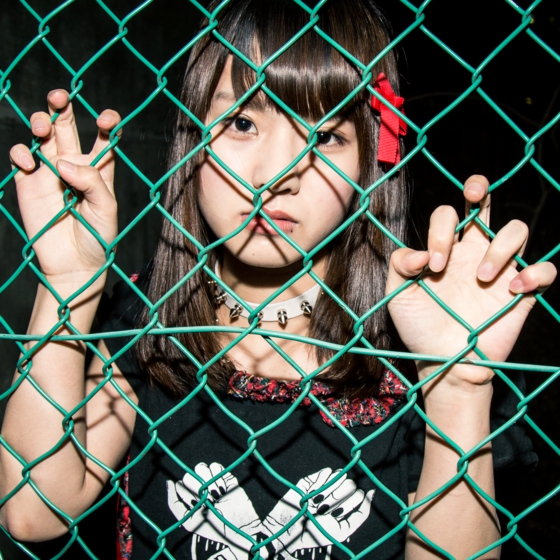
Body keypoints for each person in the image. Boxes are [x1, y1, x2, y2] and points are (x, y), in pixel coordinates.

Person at [0, 0, 556, 558]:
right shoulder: (146, 314)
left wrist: (456, 385)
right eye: (243, 123)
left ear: (369, 163)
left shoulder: (411, 345)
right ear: (193, 137)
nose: (278, 174)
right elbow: (33, 511)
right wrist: (68, 283)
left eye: (326, 136)